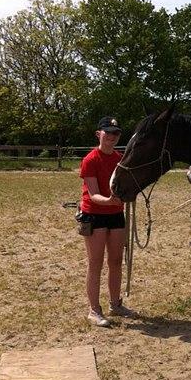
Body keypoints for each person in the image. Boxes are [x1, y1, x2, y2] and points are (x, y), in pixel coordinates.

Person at [78, 116, 134, 327]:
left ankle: (115, 304)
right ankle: (94, 310)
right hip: (95, 214)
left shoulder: (120, 160)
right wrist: (110, 201)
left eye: (116, 133)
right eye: (108, 132)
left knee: (116, 261)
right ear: (98, 134)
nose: (111, 136)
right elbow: (92, 194)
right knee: (96, 263)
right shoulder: (91, 160)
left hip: (116, 214)